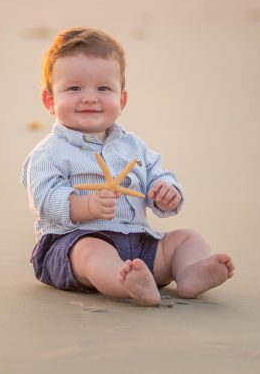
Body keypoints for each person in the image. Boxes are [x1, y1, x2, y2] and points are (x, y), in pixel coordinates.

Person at [21, 27, 234, 306]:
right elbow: (45, 199)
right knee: (91, 251)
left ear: (121, 100)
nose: (89, 97)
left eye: (103, 88)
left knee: (187, 239)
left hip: (138, 242)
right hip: (72, 242)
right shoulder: (49, 153)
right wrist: (87, 207)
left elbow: (157, 173)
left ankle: (189, 273)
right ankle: (126, 284)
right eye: (74, 88)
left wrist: (166, 191)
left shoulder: (133, 146)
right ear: (50, 100)